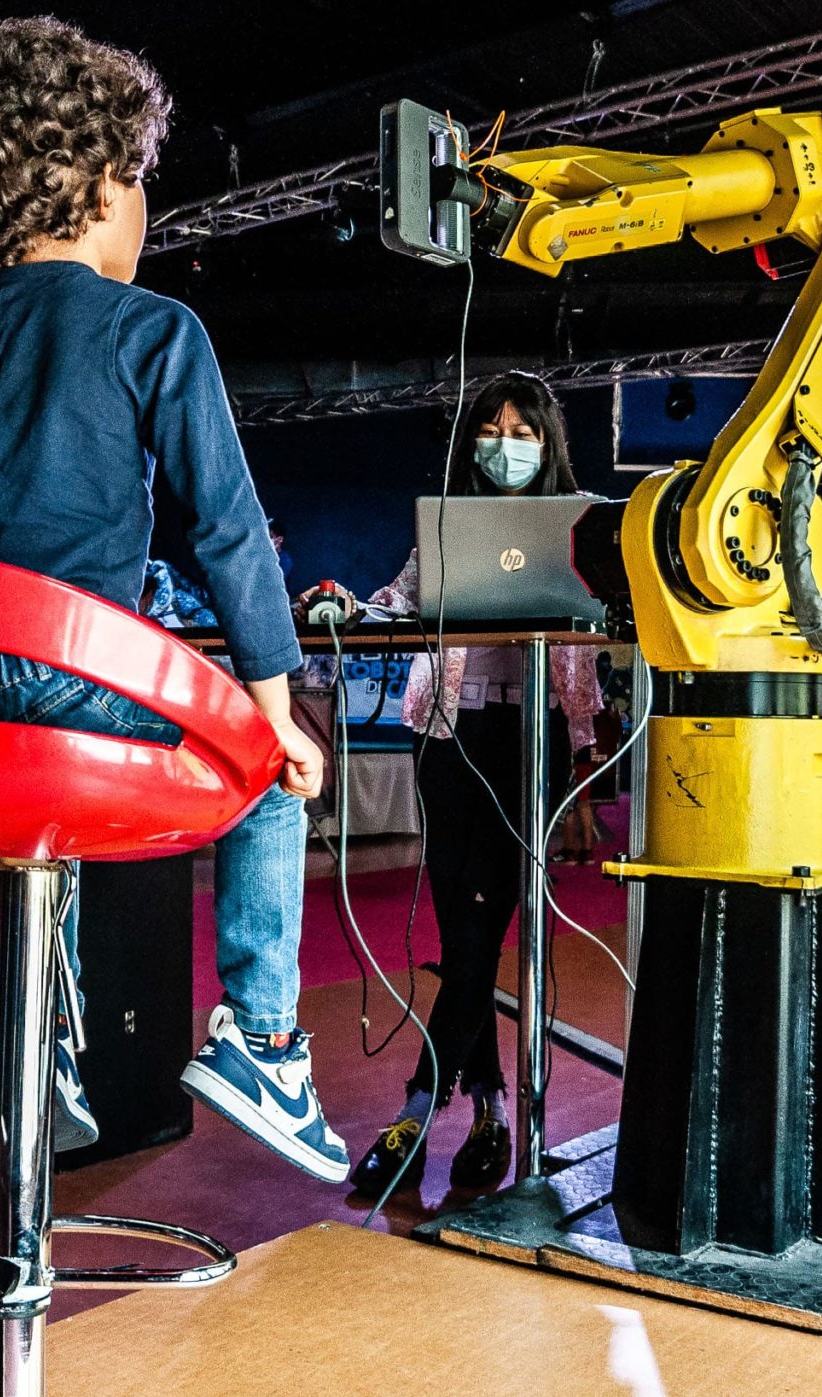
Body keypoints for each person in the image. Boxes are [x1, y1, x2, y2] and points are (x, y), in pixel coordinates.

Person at [0, 15, 344, 1181]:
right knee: (269, 772)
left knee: (43, 832)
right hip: (57, 679)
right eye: (137, 181)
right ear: (88, 181)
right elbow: (227, 530)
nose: (144, 210)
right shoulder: (152, 329)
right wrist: (275, 708)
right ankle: (266, 1042)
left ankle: (52, 1050)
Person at [325, 370, 604, 1198]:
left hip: (531, 744)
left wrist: (582, 779)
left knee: (481, 939)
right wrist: (348, 608)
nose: (505, 445)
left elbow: (584, 654)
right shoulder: (442, 530)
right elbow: (398, 603)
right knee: (464, 935)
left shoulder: (571, 528)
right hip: (450, 741)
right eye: (492, 428)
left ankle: (418, 1109)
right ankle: (486, 1113)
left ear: (548, 444)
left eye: (523, 432)